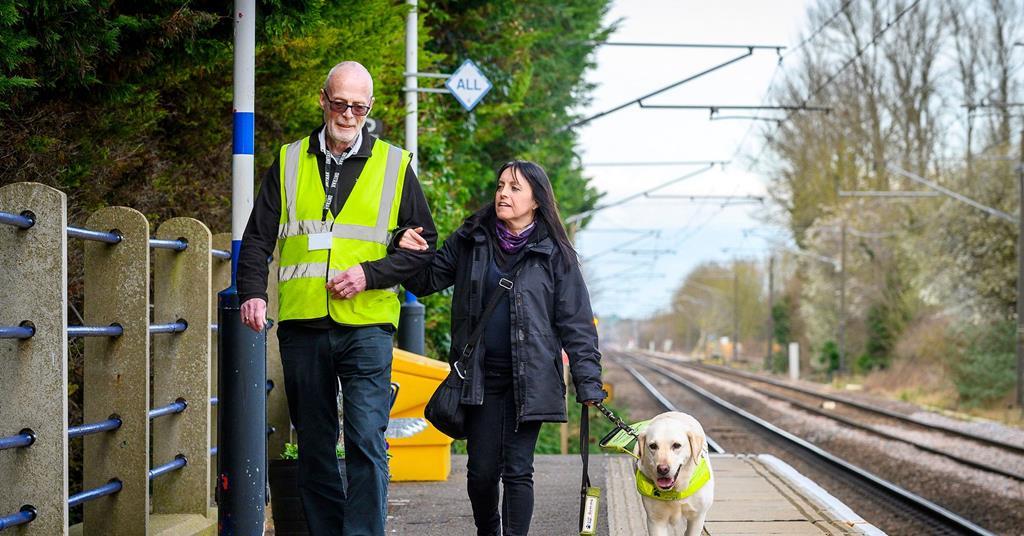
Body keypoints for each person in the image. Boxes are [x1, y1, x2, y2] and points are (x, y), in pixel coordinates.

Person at [237, 61, 437, 536]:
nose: (348, 114)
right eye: (340, 103)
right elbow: (258, 237)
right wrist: (252, 293)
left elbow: (422, 247)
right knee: (315, 445)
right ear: (323, 100)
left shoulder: (394, 164)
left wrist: (369, 274)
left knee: (367, 438)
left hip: (367, 323)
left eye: (359, 107)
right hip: (304, 324)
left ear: (370, 109)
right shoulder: (288, 161)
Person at [397, 160, 604, 536]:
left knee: (518, 470)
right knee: (481, 474)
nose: (503, 194)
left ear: (536, 200)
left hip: (533, 379)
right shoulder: (472, 238)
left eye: (514, 188)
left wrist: (588, 382)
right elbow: (426, 280)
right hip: (480, 378)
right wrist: (410, 249)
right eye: (500, 186)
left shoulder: (555, 253)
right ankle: (488, 531)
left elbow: (576, 322)